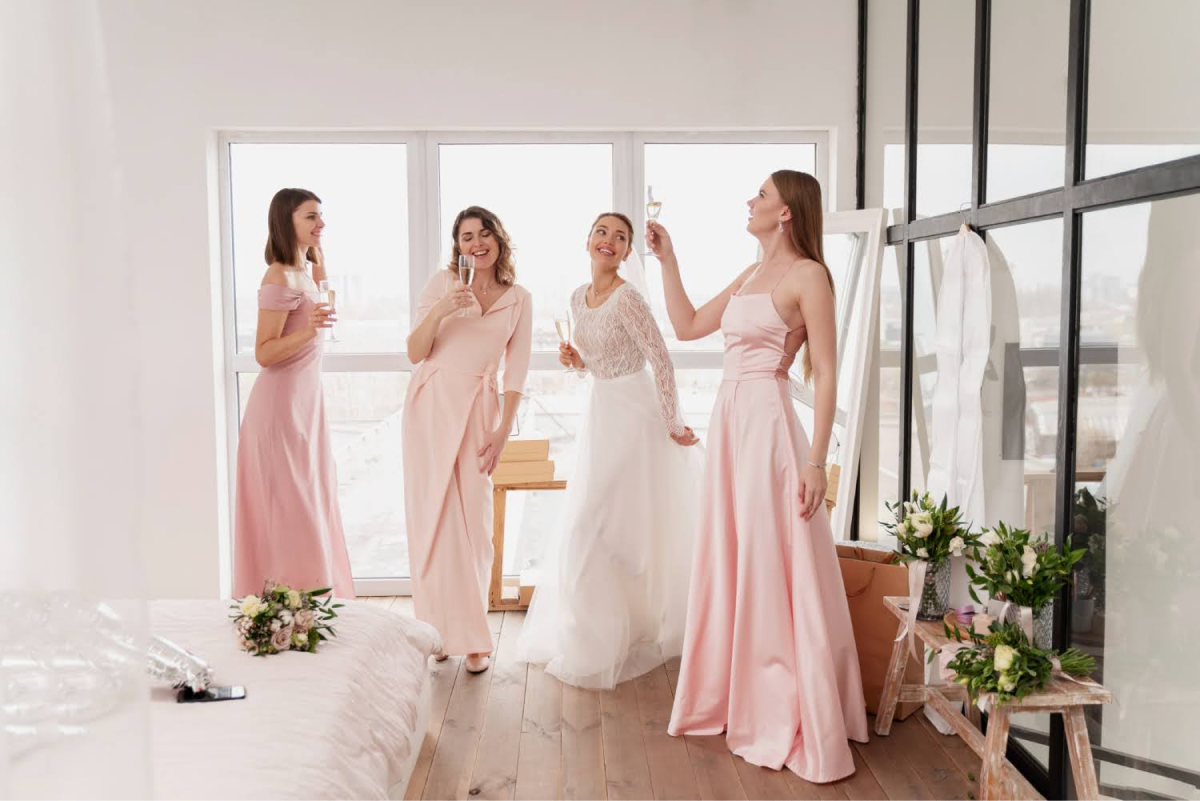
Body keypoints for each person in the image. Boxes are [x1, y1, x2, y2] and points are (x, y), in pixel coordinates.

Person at [661, 171, 868, 782]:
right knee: (731, 553)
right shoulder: (749, 273)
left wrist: (817, 462)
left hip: (770, 428)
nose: (749, 201)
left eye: (761, 195)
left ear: (785, 213)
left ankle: (780, 697)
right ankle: (735, 692)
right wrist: (668, 258)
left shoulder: (809, 276)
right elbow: (689, 324)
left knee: (769, 556)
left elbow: (827, 374)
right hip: (730, 421)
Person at [403, 206, 533, 674]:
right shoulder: (442, 283)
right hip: (432, 402)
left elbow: (517, 370)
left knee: (476, 526)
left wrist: (502, 429)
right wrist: (442, 309)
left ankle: (475, 635)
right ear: (457, 245)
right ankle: (438, 631)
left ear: (499, 239)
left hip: (481, 407)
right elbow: (415, 351)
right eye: (465, 237)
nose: (476, 244)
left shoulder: (518, 298)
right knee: (433, 519)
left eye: (483, 234)